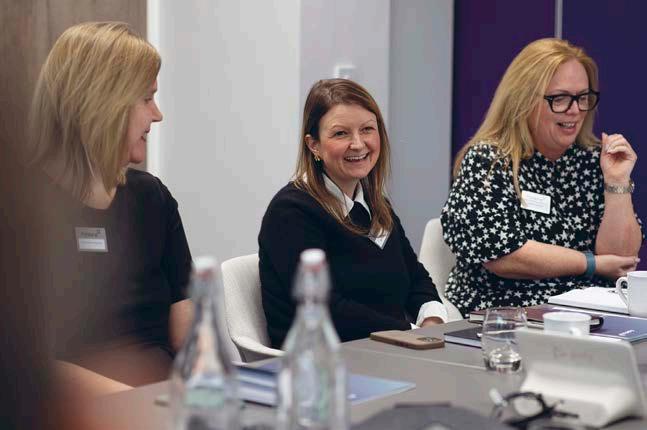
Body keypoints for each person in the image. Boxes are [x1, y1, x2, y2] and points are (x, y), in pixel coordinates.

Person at [28, 22, 193, 396]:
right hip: (82, 410)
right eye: (147, 98)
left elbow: (189, 332)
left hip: (163, 402)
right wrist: (136, 401)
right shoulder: (23, 211)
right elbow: (26, 364)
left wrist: (208, 380)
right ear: (103, 103)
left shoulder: (153, 198)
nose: (158, 115)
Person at [441, 38, 643, 317]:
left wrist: (617, 182)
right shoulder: (489, 160)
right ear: (523, 100)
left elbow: (620, 259)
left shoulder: (592, 160)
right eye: (559, 99)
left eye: (582, 97)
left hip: (591, 314)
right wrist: (591, 263)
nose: (575, 110)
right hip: (506, 313)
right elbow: (502, 254)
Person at [259, 79, 448, 348]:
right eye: (341, 134)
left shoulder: (375, 203)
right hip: (325, 359)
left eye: (367, 129)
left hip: (392, 349)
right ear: (314, 145)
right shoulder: (291, 212)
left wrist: (432, 321)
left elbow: (415, 277)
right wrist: (408, 332)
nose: (358, 144)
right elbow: (325, 307)